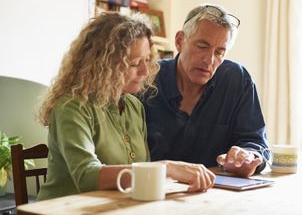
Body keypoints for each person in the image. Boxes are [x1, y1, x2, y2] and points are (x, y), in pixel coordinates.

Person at [37, 13, 215, 200]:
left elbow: (139, 173)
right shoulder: (72, 107)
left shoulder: (133, 106)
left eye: (147, 60)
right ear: (104, 64)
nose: (145, 71)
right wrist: (166, 168)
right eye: (135, 63)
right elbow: (87, 176)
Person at [141, 4, 269, 177]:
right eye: (202, 46)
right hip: (152, 189)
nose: (209, 60)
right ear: (179, 41)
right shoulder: (146, 78)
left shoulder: (237, 80)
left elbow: (255, 142)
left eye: (219, 52)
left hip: (214, 193)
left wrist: (247, 157)